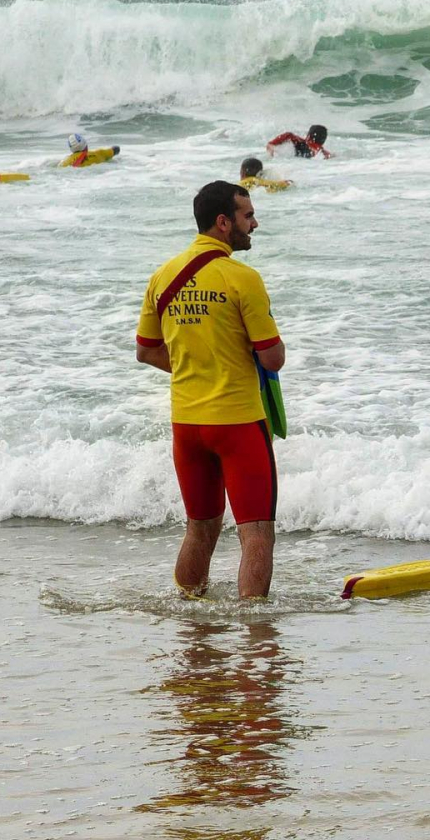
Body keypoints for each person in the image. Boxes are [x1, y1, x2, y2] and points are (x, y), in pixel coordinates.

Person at [136, 181, 286, 599]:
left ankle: (190, 621)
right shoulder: (243, 278)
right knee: (256, 532)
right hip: (238, 424)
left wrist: (195, 365)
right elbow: (272, 359)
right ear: (223, 223)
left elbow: (146, 352)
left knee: (200, 527)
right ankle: (256, 636)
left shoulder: (162, 276)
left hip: (187, 425)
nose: (254, 223)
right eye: (248, 215)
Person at [266, 124, 332, 159]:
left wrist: (271, 144)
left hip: (306, 150)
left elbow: (289, 135)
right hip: (311, 156)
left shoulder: (305, 143)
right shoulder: (321, 151)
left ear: (309, 135)